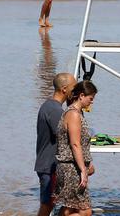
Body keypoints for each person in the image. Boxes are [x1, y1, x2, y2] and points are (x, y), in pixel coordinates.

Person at [55, 80, 98, 216]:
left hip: (72, 167)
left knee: (69, 209)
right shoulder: (73, 114)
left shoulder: (77, 113)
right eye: (91, 98)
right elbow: (75, 144)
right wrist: (83, 170)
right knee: (85, 211)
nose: (92, 102)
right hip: (71, 168)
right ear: (81, 96)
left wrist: (87, 164)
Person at [35, 72, 76, 216]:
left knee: (53, 203)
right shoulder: (54, 109)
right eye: (73, 88)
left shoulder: (50, 106)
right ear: (64, 89)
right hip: (49, 164)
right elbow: (66, 135)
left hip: (47, 163)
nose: (75, 91)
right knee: (47, 204)